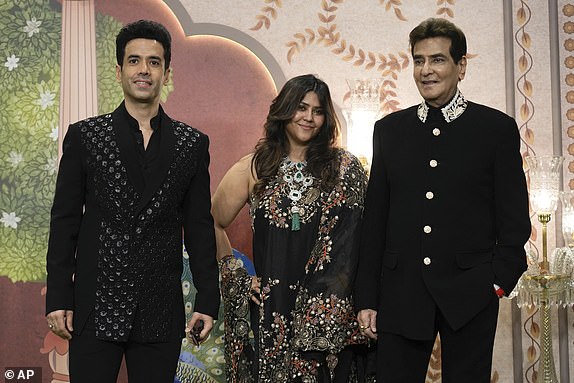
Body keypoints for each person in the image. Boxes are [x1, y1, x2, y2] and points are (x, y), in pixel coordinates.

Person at [355, 18, 531, 382]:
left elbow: (513, 219)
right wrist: (367, 298)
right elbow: (376, 222)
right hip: (401, 293)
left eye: (437, 60)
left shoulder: (495, 129)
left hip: (471, 294)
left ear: (460, 65)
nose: (426, 70)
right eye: (418, 60)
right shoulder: (389, 131)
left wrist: (497, 282)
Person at [45, 20, 220, 382]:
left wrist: (207, 299)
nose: (144, 70)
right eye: (135, 61)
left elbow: (200, 228)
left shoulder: (191, 144)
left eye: (154, 62)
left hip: (159, 308)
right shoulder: (86, 137)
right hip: (95, 305)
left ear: (166, 72)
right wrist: (59, 295)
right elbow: (65, 222)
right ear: (119, 70)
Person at [212, 74, 368, 382]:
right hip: (273, 310)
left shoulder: (344, 169)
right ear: (284, 110)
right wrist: (236, 274)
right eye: (300, 107)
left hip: (328, 317)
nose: (309, 117)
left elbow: (362, 240)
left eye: (318, 110)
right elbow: (210, 222)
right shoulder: (254, 167)